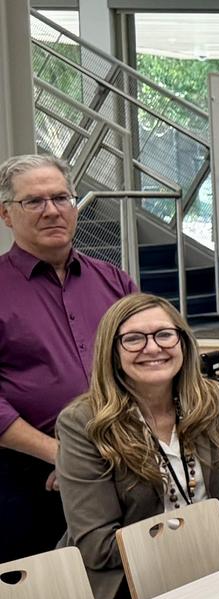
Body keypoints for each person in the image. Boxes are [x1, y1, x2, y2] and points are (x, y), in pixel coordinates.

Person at [55, 293, 219, 599]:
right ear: (112, 352)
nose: (152, 348)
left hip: (215, 573)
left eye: (164, 334)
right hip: (127, 594)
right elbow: (98, 545)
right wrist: (206, 545)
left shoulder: (215, 401)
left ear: (183, 342)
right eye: (133, 339)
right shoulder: (83, 423)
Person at [0, 153, 139, 564]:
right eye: (34, 201)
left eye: (61, 198)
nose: (51, 211)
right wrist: (61, 454)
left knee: (127, 585)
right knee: (42, 593)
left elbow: (150, 365)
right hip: (28, 481)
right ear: (6, 214)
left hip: (121, 467)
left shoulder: (114, 281)